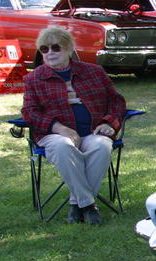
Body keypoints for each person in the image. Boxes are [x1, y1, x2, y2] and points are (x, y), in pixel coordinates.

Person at [22, 27, 127, 225]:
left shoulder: (94, 72)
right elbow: (29, 112)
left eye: (56, 47)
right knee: (64, 146)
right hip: (55, 135)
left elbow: (117, 101)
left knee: (102, 145)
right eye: (44, 49)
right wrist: (60, 129)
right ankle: (88, 206)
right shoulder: (33, 79)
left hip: (92, 131)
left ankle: (76, 203)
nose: (50, 53)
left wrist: (109, 123)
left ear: (69, 49)